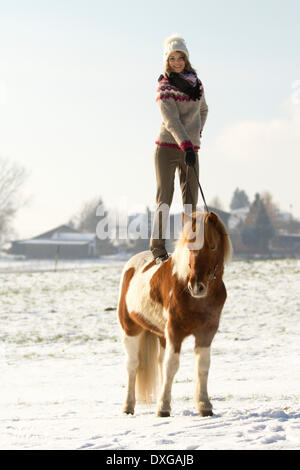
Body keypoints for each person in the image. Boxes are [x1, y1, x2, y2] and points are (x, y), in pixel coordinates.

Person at [150, 34, 209, 263]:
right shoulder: (165, 86)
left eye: (180, 57)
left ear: (186, 59)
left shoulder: (197, 84)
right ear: (167, 60)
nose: (176, 62)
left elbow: (203, 110)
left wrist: (196, 135)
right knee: (164, 197)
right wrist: (186, 144)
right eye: (172, 58)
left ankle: (189, 247)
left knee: (190, 201)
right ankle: (158, 250)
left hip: (190, 150)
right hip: (167, 148)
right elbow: (171, 120)